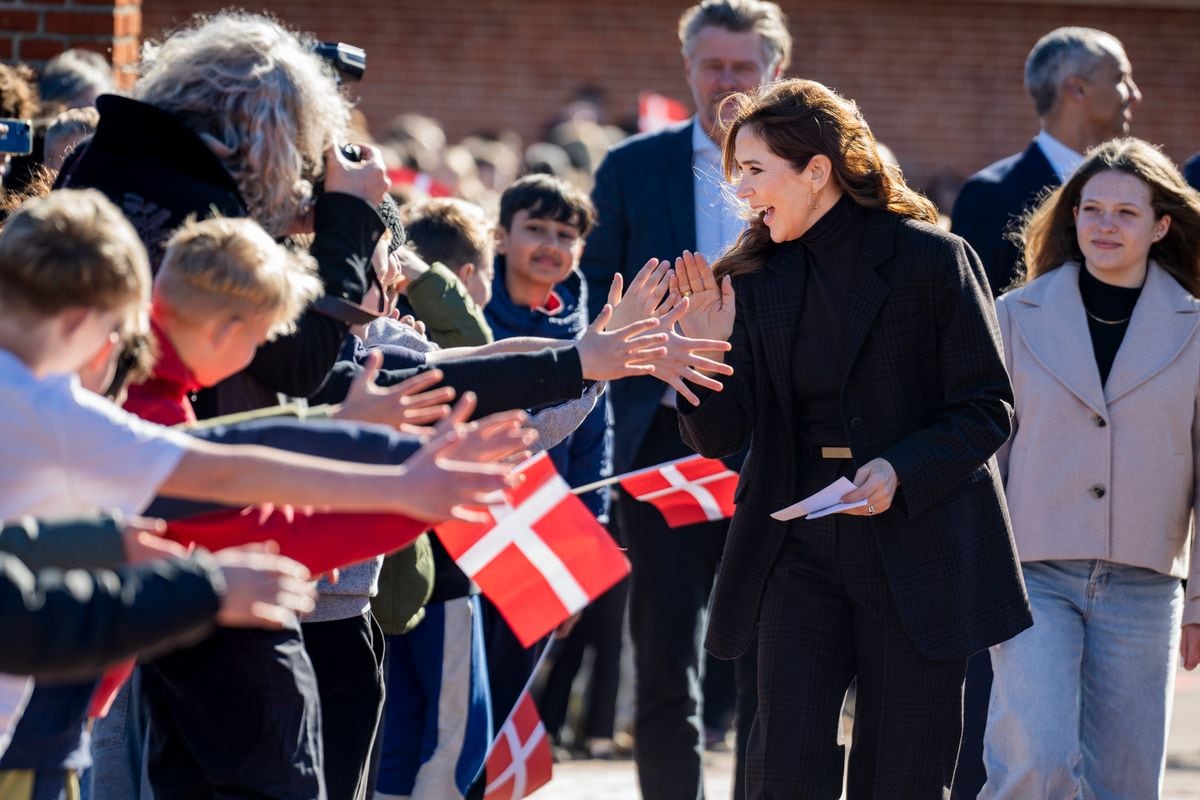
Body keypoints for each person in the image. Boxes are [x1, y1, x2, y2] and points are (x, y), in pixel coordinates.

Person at [673, 78, 1031, 797]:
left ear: (816, 170)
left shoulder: (933, 258)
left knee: (902, 775)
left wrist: (900, 470)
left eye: (754, 171)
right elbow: (722, 436)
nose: (740, 192)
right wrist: (704, 360)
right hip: (796, 548)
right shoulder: (753, 277)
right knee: (786, 770)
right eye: (734, 173)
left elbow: (986, 407)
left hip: (918, 542)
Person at [579, 2, 790, 794]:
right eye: (714, 65)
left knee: (773, 655)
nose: (728, 82)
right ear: (688, 68)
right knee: (667, 655)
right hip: (660, 441)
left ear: (775, 69)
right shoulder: (633, 168)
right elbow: (591, 293)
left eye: (744, 66)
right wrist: (643, 354)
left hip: (772, 446)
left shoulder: (811, 168)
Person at [980, 137, 1200, 799]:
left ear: (1162, 225)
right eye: (1091, 208)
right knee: (1035, 762)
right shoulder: (1015, 316)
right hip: (1030, 578)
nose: (1105, 224)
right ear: (1071, 217)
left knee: (1127, 785)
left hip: (1145, 584)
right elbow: (987, 454)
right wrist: (977, 571)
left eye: (1126, 213)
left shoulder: (1196, 328)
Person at [952, 27, 1140, 295]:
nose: (1135, 95)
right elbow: (971, 312)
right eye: (1120, 78)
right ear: (1077, 88)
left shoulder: (1141, 190)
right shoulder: (991, 194)